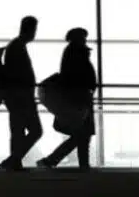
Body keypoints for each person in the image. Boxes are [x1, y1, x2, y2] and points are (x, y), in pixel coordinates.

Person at [38, 27, 97, 169]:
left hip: (79, 96)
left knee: (82, 134)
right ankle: (53, 160)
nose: (85, 40)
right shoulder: (76, 52)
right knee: (82, 134)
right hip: (80, 97)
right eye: (83, 37)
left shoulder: (72, 52)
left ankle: (57, 161)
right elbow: (76, 76)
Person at [0, 15, 43, 170]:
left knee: (17, 130)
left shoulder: (15, 46)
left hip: (16, 96)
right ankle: (13, 159)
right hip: (21, 96)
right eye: (35, 29)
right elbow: (17, 74)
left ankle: (14, 161)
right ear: (29, 29)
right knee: (35, 130)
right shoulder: (17, 47)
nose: (35, 33)